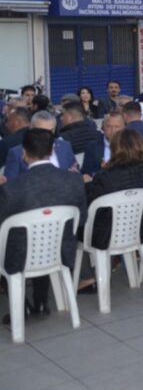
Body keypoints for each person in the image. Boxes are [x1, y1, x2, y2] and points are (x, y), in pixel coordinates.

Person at [0, 128, 87, 318]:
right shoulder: (74, 180)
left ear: (24, 152)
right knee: (39, 238)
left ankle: (20, 306)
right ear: (52, 151)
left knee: (17, 240)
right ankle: (40, 302)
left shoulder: (11, 189)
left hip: (20, 257)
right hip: (61, 250)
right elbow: (82, 218)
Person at [85, 129, 143, 248]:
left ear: (115, 149)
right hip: (139, 231)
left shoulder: (106, 176)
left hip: (105, 236)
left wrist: (88, 183)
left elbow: (91, 204)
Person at [4, 111, 78, 179]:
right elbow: (10, 184)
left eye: (51, 131)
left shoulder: (65, 146)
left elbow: (76, 171)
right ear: (31, 129)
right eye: (42, 131)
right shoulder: (16, 153)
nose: (47, 135)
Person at [81, 110, 125, 176]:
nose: (113, 131)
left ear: (123, 128)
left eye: (117, 127)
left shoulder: (130, 146)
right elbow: (86, 173)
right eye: (109, 126)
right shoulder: (92, 147)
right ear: (103, 127)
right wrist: (102, 171)